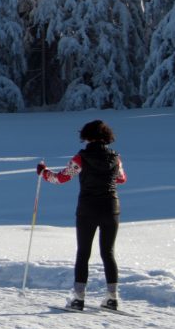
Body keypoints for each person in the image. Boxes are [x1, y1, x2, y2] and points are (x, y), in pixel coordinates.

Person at [37, 119, 128, 310]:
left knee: (83, 253)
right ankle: (112, 298)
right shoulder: (115, 158)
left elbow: (62, 178)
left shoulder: (82, 157)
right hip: (111, 207)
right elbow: (121, 179)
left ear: (87, 136)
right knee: (108, 252)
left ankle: (78, 298)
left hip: (88, 208)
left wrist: (44, 173)